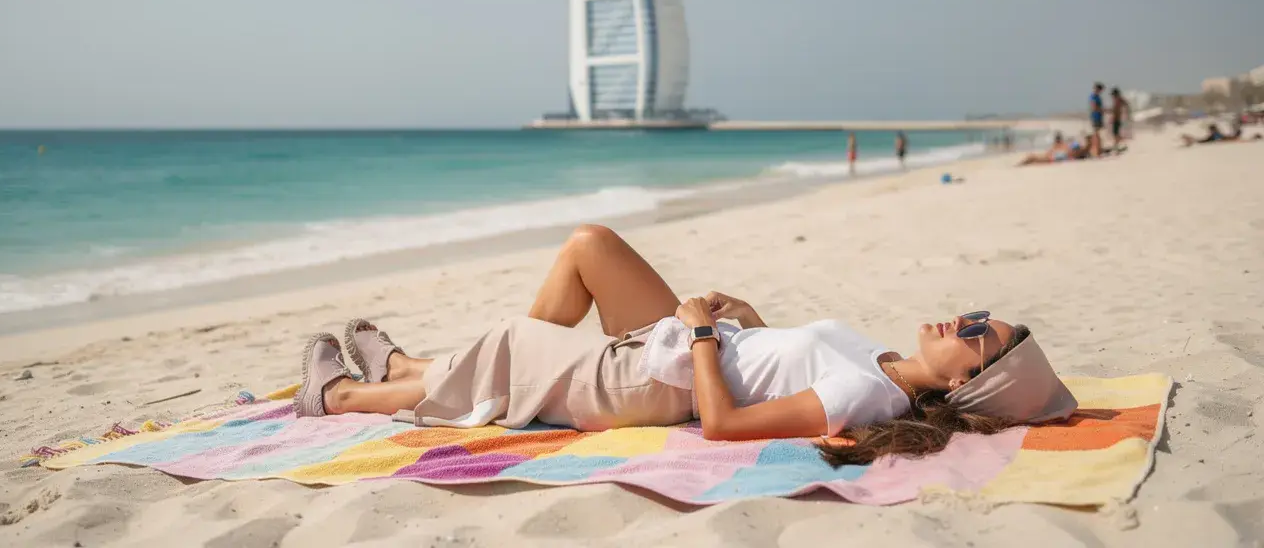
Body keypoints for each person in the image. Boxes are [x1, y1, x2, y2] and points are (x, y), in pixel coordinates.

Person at [294, 225, 1077, 466]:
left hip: (658, 379)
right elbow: (782, 365)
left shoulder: (874, 396)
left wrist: (705, 334)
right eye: (978, 313)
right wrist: (748, 319)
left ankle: (350, 393)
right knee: (589, 247)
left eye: (978, 332)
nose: (962, 318)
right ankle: (420, 369)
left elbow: (726, 425)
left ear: (969, 379)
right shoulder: (880, 360)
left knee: (511, 339)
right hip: (683, 344)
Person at [1088, 82, 1105, 157]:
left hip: (1097, 117)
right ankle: (1097, 152)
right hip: (1096, 117)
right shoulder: (1094, 97)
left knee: (1097, 134)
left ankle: (1098, 151)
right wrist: (1101, 110)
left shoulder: (1096, 96)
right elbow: (1094, 107)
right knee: (1096, 134)